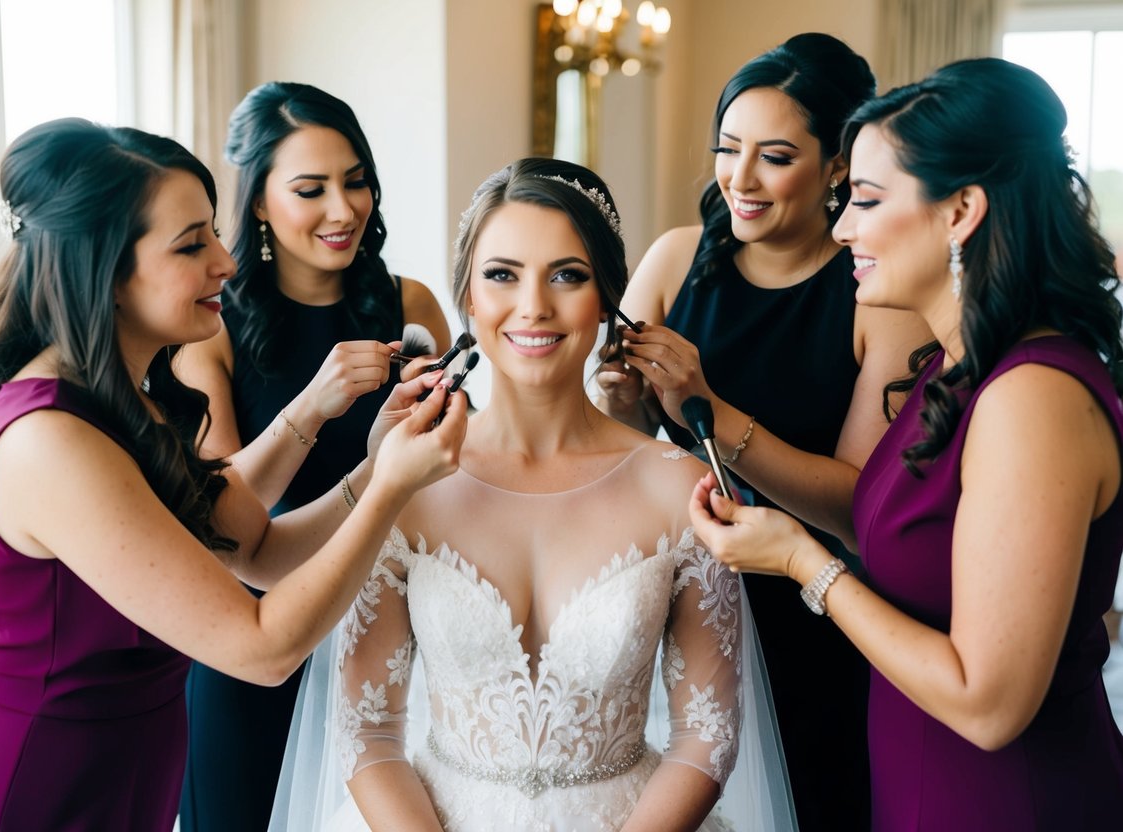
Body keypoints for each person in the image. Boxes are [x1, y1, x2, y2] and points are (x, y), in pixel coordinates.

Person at [0, 117, 466, 831]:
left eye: (214, 234)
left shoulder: (123, 400)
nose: (226, 263)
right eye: (191, 244)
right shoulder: (48, 438)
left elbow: (255, 550)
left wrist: (374, 462)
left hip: (121, 790)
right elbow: (263, 648)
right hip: (28, 799)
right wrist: (390, 490)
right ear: (105, 270)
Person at [270, 158, 797, 831]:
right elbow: (366, 732)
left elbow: (706, 733)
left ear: (606, 298)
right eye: (501, 274)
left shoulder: (677, 488)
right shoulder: (408, 480)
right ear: (467, 296)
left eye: (567, 275)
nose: (533, 306)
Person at [690, 58, 1123, 831]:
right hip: (916, 783)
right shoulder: (949, 368)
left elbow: (988, 706)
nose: (842, 227)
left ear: (960, 211)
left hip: (1005, 802)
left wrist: (802, 563)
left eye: (864, 199)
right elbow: (895, 533)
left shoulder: (1032, 399)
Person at [595, 33, 930, 828]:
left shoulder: (877, 297)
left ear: (838, 166)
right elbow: (618, 441)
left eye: (774, 157)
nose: (738, 179)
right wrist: (620, 399)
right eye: (727, 148)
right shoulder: (675, 259)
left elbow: (854, 509)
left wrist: (708, 405)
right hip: (676, 599)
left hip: (813, 617)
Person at [173, 81, 452, 831]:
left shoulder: (411, 306)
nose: (342, 209)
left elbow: (455, 472)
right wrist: (312, 404)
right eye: (310, 190)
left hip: (395, 643)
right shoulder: (209, 327)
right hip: (259, 643)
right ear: (260, 203)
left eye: (355, 181)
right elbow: (225, 524)